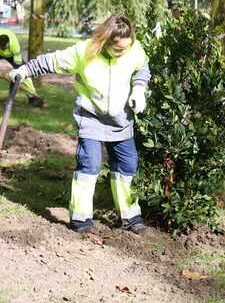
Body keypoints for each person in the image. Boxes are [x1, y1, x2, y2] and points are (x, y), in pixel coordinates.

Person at [9, 14, 151, 233]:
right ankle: (81, 219)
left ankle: (130, 217)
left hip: (121, 120)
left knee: (127, 166)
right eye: (118, 49)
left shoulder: (133, 49)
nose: (123, 52)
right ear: (105, 41)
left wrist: (140, 87)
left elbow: (142, 66)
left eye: (127, 47)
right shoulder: (84, 52)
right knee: (89, 165)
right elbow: (49, 61)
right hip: (91, 118)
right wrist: (24, 70)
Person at [0, 28, 44, 107]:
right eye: (1, 47)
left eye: (5, 47)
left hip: (11, 54)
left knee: (24, 70)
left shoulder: (14, 44)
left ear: (8, 43)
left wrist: (14, 78)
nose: (3, 49)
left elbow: (18, 67)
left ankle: (32, 96)